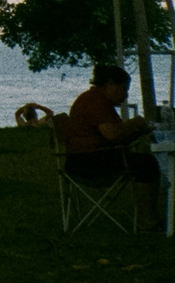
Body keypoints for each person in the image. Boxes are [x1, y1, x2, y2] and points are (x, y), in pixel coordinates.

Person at [63, 63, 157, 197]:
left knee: (144, 161)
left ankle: (148, 214)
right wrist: (134, 123)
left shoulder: (98, 100)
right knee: (147, 164)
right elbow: (111, 134)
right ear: (110, 84)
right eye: (124, 89)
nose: (126, 95)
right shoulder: (95, 100)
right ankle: (147, 216)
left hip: (83, 159)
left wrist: (138, 132)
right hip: (88, 163)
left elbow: (114, 135)